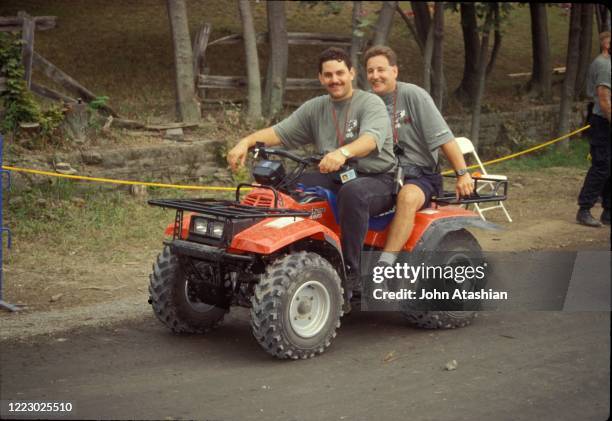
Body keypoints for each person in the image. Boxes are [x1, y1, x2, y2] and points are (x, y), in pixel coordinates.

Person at [227, 47, 396, 302]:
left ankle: (352, 272)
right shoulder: (316, 107)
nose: (335, 79)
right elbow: (279, 133)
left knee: (353, 193)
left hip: (377, 180)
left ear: (351, 73)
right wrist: (246, 142)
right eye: (328, 75)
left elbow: (371, 140)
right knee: (281, 186)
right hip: (336, 175)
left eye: (340, 73)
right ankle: (271, 255)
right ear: (320, 78)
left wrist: (342, 153)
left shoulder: (370, 102)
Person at [363, 45, 475, 267]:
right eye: (370, 71)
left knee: (407, 197)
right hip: (382, 175)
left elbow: (444, 138)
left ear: (394, 71)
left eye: (381, 70)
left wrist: (462, 174)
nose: (375, 76)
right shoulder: (366, 102)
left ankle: (385, 265)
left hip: (419, 176)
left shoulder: (413, 95)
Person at [577, 31, 611, 227]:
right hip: (602, 121)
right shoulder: (604, 66)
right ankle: (584, 209)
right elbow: (604, 99)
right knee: (601, 165)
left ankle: (608, 212)